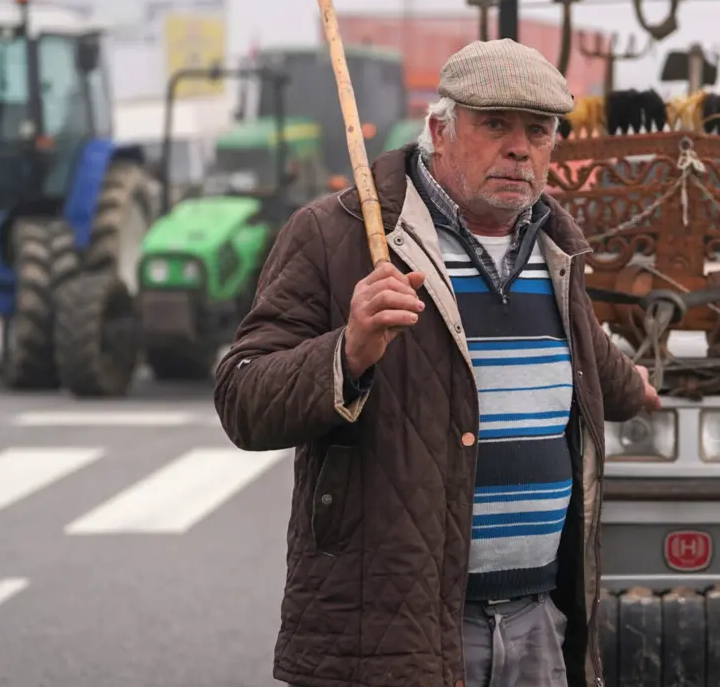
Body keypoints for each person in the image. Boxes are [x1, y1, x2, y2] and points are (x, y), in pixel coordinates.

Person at [214, 38, 659, 687]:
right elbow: (243, 400)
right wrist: (349, 350)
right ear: (439, 131)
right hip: (393, 631)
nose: (519, 148)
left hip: (539, 623)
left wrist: (634, 385)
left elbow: (591, 368)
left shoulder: (555, 247)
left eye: (538, 131)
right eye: (495, 125)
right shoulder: (338, 236)